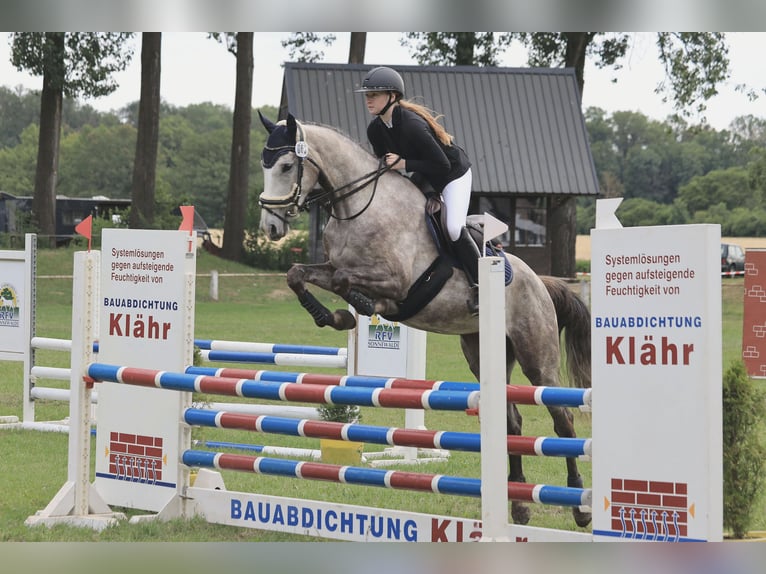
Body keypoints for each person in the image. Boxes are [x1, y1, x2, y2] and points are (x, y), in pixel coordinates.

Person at [355, 66, 480, 314]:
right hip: (424, 173)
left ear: (392, 96)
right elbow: (389, 169)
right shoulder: (375, 130)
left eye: (374, 94)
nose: (368, 99)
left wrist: (403, 163)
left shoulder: (412, 125)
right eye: (367, 94)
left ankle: (480, 285)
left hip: (452, 174)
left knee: (454, 227)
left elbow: (441, 165)